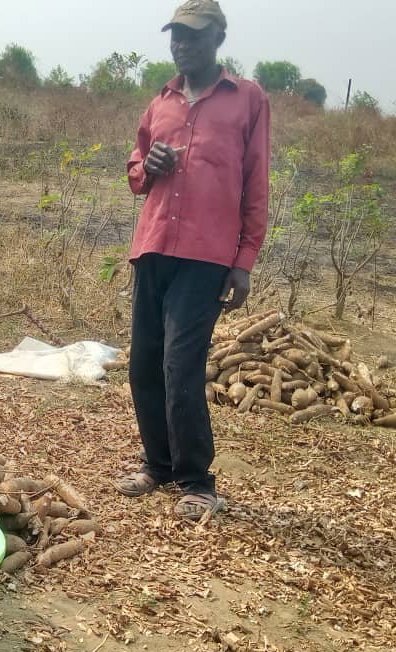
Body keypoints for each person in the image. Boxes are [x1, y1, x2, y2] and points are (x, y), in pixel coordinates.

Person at [117, 0, 270, 519]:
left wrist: (244, 259)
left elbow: (255, 182)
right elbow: (135, 171)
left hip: (207, 255)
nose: (183, 45)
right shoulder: (161, 101)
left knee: (180, 365)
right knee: (144, 365)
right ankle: (158, 465)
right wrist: (147, 165)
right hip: (154, 246)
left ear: (218, 40)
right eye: (176, 36)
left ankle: (198, 481)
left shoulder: (246, 100)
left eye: (194, 37)